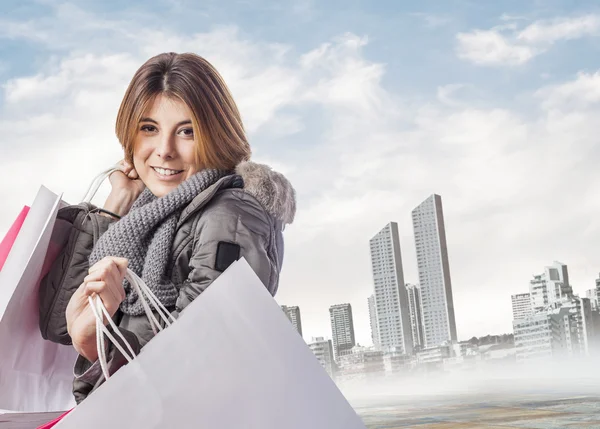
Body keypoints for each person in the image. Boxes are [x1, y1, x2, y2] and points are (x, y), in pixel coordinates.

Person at [46, 52, 295, 403]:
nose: (164, 151)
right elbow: (58, 326)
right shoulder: (150, 214)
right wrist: (117, 206)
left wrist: (95, 344)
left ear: (217, 135)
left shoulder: (230, 215)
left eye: (187, 132)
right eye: (149, 128)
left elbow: (195, 352)